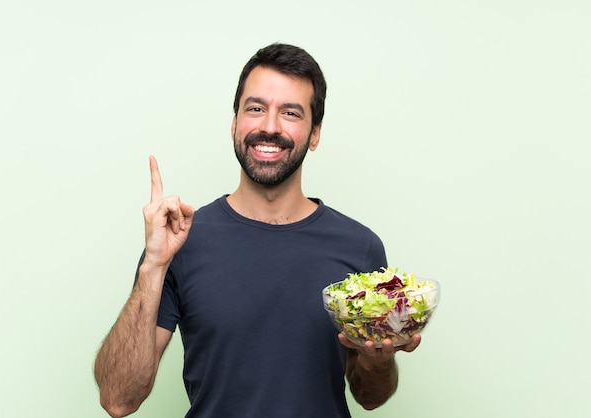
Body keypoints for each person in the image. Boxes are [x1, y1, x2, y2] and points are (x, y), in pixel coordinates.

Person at [94, 43, 421, 418]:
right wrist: (152, 265)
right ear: (234, 124)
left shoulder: (359, 248)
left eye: (291, 113)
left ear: (314, 134)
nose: (269, 126)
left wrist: (377, 360)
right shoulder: (180, 240)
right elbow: (118, 400)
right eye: (255, 108)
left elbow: (370, 397)